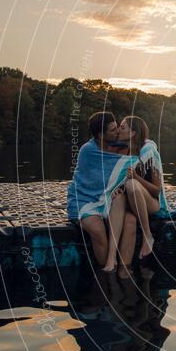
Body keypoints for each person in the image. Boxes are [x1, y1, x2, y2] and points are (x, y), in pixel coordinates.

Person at [67, 112, 138, 275]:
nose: (118, 131)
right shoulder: (88, 150)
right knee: (98, 230)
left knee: (131, 220)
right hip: (84, 199)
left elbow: (140, 150)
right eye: (113, 130)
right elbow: (124, 165)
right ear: (100, 135)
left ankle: (124, 269)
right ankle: (108, 274)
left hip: (109, 199)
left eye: (117, 127)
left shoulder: (120, 145)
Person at [116, 116, 169, 259]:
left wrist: (137, 178)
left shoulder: (149, 153)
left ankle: (147, 236)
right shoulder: (122, 152)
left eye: (122, 127)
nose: (118, 130)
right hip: (129, 200)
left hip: (151, 203)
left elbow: (157, 190)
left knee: (131, 184)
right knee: (128, 219)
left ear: (133, 133)